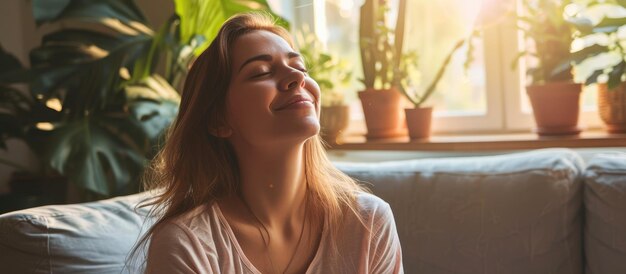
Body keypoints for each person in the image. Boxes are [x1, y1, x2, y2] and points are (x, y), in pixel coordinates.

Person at [132, 12, 403, 274]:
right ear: (218, 121)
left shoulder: (367, 223)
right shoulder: (188, 244)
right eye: (261, 72)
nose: (297, 78)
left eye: (299, 67)